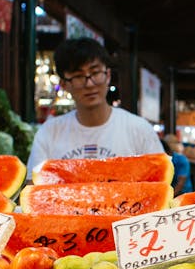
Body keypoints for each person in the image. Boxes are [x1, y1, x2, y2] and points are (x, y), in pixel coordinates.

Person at [27, 38, 161, 170]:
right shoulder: (49, 132)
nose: (89, 84)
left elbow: (159, 178)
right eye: (78, 76)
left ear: (108, 75)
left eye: (95, 73)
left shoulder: (140, 130)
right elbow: (34, 181)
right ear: (64, 84)